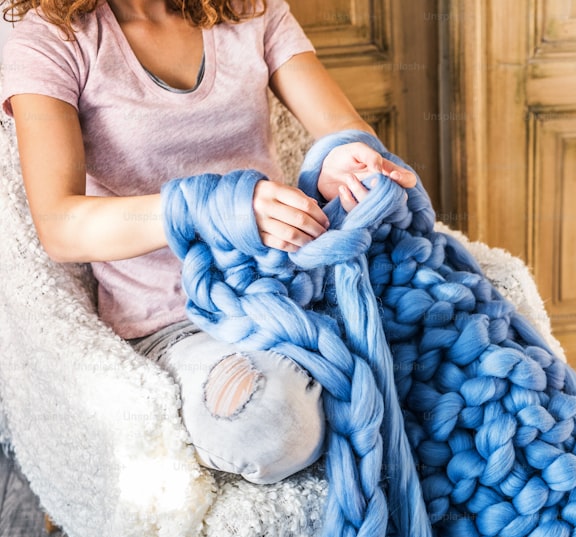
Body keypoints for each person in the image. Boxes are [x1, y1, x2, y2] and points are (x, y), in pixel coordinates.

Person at [1, 0, 416, 483]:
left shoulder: (248, 8)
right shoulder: (52, 38)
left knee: (430, 349)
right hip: (176, 322)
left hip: (293, 287)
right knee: (270, 424)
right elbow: (60, 224)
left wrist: (346, 164)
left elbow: (346, 135)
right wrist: (207, 207)